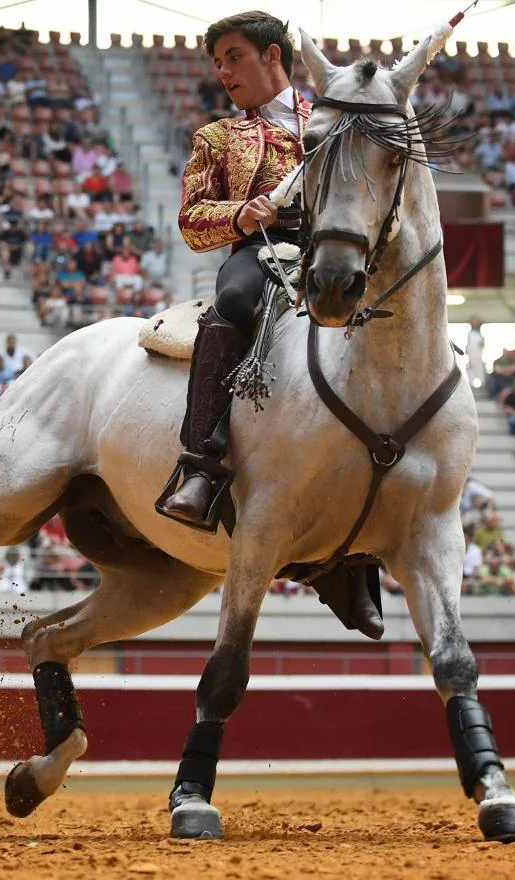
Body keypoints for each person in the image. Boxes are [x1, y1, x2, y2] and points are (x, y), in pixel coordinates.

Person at [158, 11, 309, 529]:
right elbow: (191, 221)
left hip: (333, 250)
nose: (223, 72)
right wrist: (241, 214)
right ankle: (200, 466)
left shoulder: (335, 120)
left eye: (233, 57)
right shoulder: (217, 138)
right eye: (218, 63)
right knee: (235, 302)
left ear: (272, 55)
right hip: (259, 251)